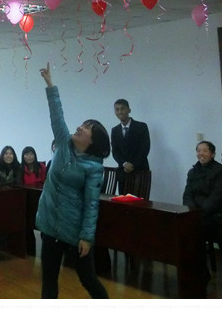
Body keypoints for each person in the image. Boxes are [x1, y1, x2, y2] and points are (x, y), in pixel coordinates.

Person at [36, 62, 110, 299]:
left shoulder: (94, 167)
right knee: (49, 280)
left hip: (74, 230)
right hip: (50, 225)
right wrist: (50, 84)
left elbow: (91, 205)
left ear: (93, 141)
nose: (80, 127)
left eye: (87, 128)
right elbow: (56, 114)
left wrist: (86, 237)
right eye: (83, 124)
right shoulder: (63, 143)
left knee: (87, 279)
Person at [183, 141, 222, 249]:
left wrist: (199, 213)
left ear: (213, 154)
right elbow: (187, 195)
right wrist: (192, 212)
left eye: (205, 151)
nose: (201, 153)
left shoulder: (221, 172)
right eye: (198, 151)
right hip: (195, 213)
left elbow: (217, 198)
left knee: (195, 228)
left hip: (214, 214)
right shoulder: (192, 172)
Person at [110, 98, 151, 195]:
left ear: (129, 110)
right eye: (117, 109)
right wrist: (124, 164)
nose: (120, 112)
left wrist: (132, 164)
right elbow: (115, 152)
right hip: (123, 172)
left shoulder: (141, 127)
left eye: (122, 108)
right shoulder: (115, 130)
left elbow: (145, 148)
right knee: (123, 202)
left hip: (140, 170)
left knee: (140, 201)